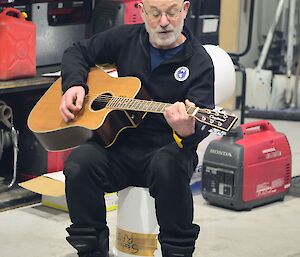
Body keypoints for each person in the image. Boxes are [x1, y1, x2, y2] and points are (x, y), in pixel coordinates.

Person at [59, 0, 214, 256]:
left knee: (169, 166)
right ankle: (90, 249)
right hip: (119, 145)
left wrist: (187, 130)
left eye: (172, 12)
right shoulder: (126, 38)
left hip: (167, 147)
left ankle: (177, 250)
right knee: (79, 163)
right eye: (154, 13)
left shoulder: (199, 61)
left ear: (185, 9)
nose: (164, 22)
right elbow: (77, 51)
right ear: (141, 11)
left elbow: (200, 123)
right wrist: (75, 84)